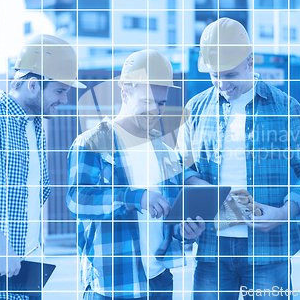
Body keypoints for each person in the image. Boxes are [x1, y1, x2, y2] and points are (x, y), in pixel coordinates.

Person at [178, 17, 300, 299]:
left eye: (229, 75)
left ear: (250, 62)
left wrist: (283, 213)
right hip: (212, 250)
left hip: (269, 250)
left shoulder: (285, 107)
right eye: (214, 75)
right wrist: (202, 193)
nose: (222, 83)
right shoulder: (195, 108)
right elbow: (180, 168)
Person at [0, 34, 85, 300]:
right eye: (59, 90)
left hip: (23, 282)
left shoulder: (37, 131)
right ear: (33, 85)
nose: (65, 99)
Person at [66, 49, 206, 300]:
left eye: (161, 103)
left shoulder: (164, 150)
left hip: (159, 282)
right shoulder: (91, 142)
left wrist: (184, 231)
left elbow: (168, 216)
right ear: (125, 94)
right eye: (147, 102)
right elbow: (78, 200)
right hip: (113, 286)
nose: (155, 111)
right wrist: (137, 198)